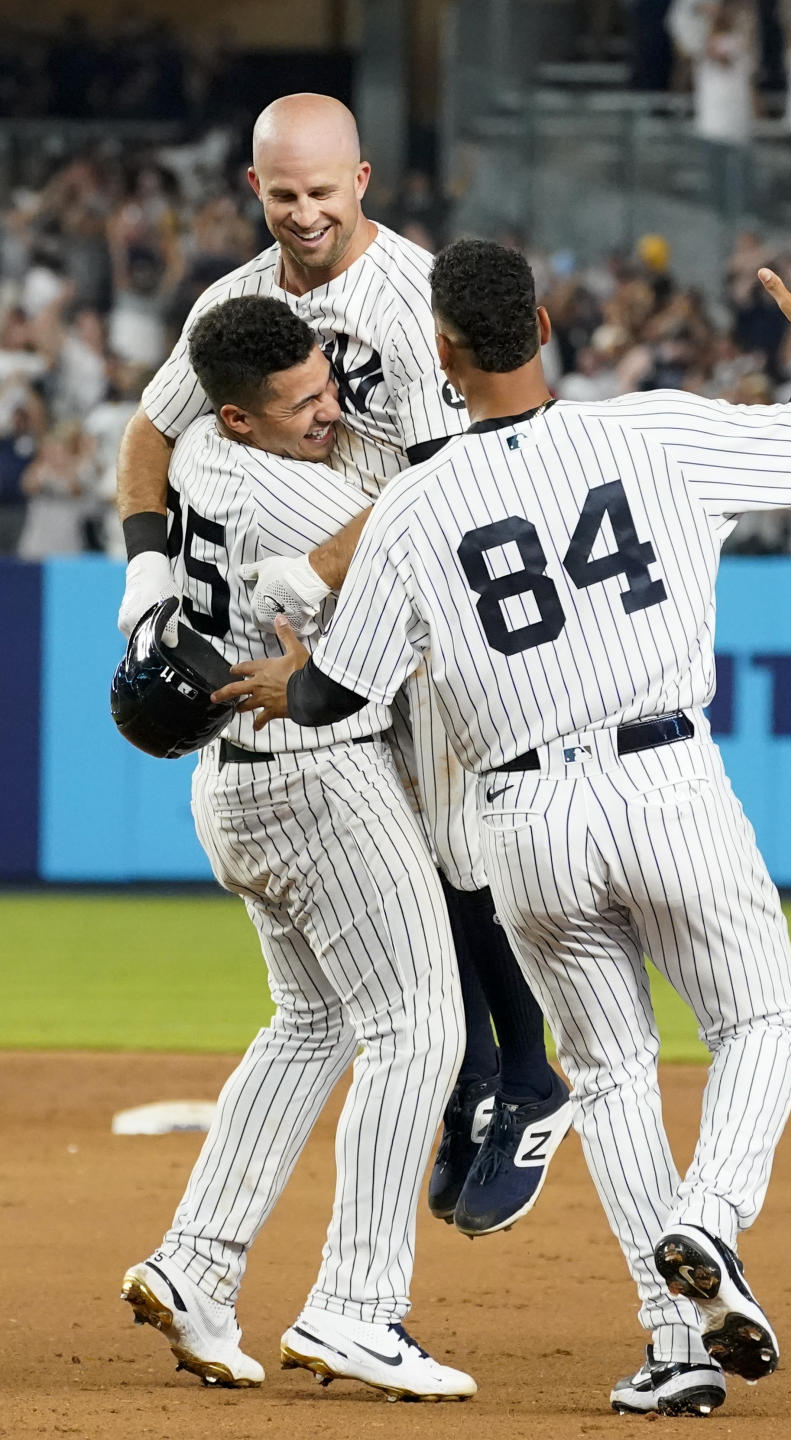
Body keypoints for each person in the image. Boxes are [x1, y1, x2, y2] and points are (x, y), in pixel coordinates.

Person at [215, 239, 791, 1416]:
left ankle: (677, 1348)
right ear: (548, 327)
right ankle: (705, 1223)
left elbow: (339, 696)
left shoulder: (411, 504)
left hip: (524, 820)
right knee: (761, 1018)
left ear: (445, 356)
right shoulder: (648, 430)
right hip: (663, 778)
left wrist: (285, 681)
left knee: (611, 1072)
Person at [114, 92, 571, 1241]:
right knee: (412, 858)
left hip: (428, 599)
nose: (305, 211)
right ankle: (478, 1076)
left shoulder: (413, 300)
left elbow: (437, 485)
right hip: (333, 619)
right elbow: (148, 433)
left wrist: (317, 565)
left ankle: (526, 1074)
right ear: (254, 192)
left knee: (463, 852)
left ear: (362, 180)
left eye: (324, 189)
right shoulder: (236, 304)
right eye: (284, 193)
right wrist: (143, 580)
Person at [120, 295, 474, 1402]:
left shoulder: (201, 471)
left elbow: (153, 436)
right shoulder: (292, 491)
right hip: (319, 777)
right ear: (235, 417)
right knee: (421, 1024)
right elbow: (429, 504)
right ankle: (358, 1308)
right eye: (302, 402)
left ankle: (196, 1264)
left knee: (311, 1023)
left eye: (328, 385)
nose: (329, 411)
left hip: (233, 783)